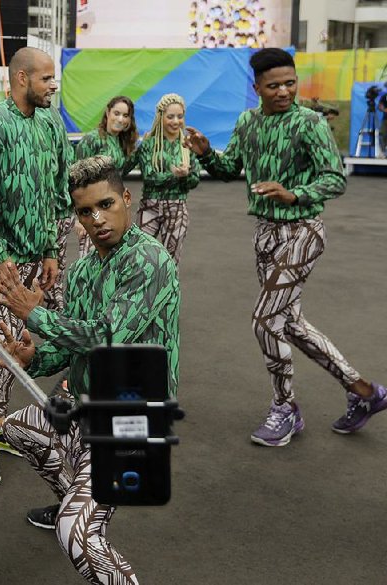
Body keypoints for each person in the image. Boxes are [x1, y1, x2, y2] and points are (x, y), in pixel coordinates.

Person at [0, 155, 179, 585]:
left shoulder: (151, 260)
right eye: (86, 211)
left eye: (106, 204)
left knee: (77, 533)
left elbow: (107, 337)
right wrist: (32, 357)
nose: (97, 219)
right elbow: (77, 348)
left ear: (127, 198)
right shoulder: (86, 269)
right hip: (89, 404)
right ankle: (74, 497)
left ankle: (80, 514)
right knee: (17, 428)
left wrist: (35, 316)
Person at [184, 48, 387, 447]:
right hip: (265, 236)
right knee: (289, 323)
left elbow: (335, 178)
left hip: (303, 231)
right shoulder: (248, 122)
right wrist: (207, 155)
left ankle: (285, 408)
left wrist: (294, 194)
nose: (283, 91)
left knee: (265, 319)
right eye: (274, 85)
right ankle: (364, 392)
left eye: (290, 83)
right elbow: (230, 172)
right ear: (256, 87)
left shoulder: (309, 123)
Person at [0, 47, 71, 483]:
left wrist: (51, 253)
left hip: (38, 257)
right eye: (46, 79)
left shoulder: (51, 123)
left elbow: (56, 194)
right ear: (22, 78)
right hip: (1, 260)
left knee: (18, 341)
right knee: (6, 345)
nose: (53, 86)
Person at [135, 93, 200, 266]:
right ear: (160, 116)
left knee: (171, 261)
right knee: (141, 255)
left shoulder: (187, 145)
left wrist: (185, 176)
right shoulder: (149, 144)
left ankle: (168, 292)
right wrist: (174, 175)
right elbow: (149, 177)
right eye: (170, 116)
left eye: (180, 116)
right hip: (150, 206)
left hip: (177, 207)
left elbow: (194, 180)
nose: (175, 121)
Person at [74, 95, 138, 257]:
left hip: (112, 209)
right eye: (117, 113)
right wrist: (77, 218)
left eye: (125, 115)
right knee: (90, 256)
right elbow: (74, 180)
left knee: (112, 258)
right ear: (108, 113)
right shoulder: (91, 140)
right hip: (93, 211)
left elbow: (122, 171)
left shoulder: (122, 142)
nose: (120, 119)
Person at [378, 88, 387, 156]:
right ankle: (383, 152)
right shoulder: (384, 96)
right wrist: (384, 109)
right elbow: (380, 106)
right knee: (382, 134)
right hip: (385, 119)